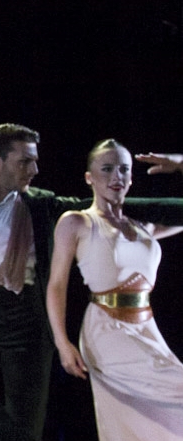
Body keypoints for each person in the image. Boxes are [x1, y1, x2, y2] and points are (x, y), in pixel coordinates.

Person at [0, 124, 183, 441]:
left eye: (35, 161)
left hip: (26, 317)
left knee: (27, 423)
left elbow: (120, 209)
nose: (35, 170)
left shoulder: (42, 204)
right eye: (25, 161)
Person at [45, 141, 183, 440]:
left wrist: (179, 162)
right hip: (106, 330)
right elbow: (56, 285)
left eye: (123, 169)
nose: (116, 177)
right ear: (89, 177)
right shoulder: (77, 222)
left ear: (132, 178)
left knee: (146, 424)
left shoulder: (144, 226)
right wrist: (62, 342)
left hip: (147, 328)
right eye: (106, 169)